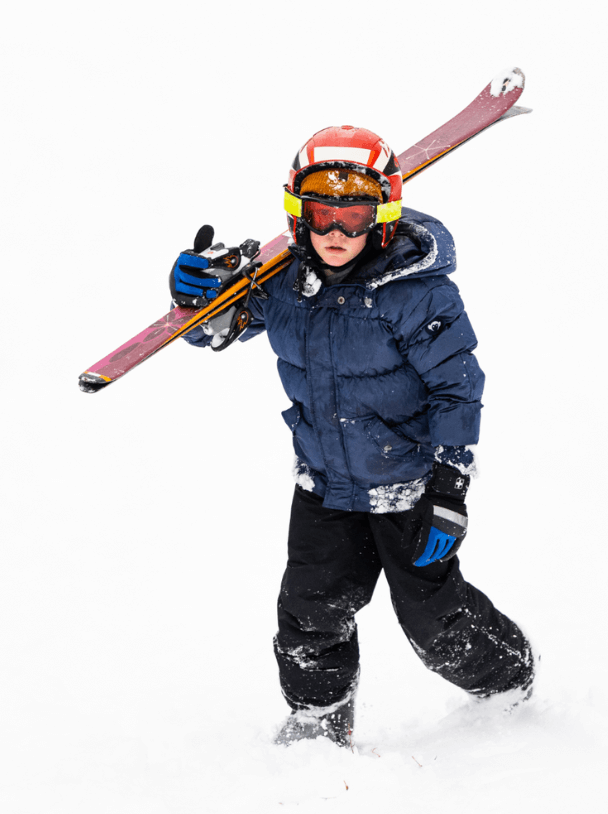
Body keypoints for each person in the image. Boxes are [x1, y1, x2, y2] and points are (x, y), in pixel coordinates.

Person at [172, 125, 535, 747]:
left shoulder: (418, 292)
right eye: (321, 216)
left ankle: (507, 683)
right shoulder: (280, 283)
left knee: (433, 620)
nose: (336, 234)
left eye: (355, 216)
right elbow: (218, 330)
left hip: (408, 487)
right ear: (298, 214)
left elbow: (459, 389)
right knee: (309, 615)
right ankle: (319, 717)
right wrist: (196, 300)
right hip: (325, 485)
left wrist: (449, 491)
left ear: (384, 216)